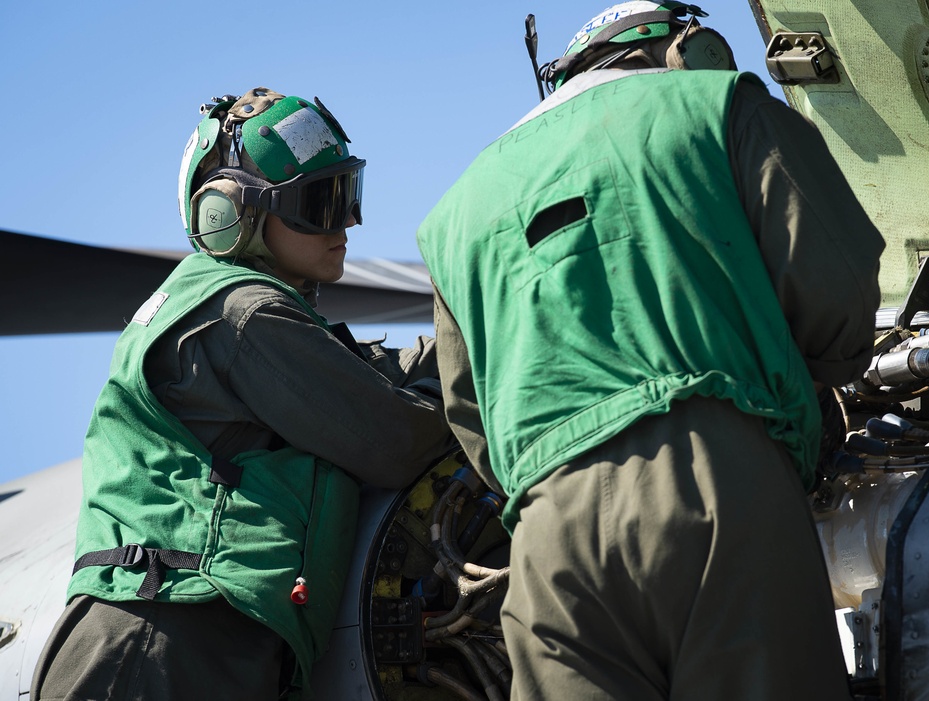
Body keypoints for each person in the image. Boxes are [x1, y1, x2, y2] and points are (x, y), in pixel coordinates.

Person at [416, 4, 885, 700]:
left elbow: (470, 412)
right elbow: (838, 289)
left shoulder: (454, 213)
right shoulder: (717, 104)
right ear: (683, 51)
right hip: (720, 486)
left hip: (549, 533)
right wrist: (814, 394)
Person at [32, 87, 455, 700]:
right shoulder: (244, 313)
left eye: (347, 194)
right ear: (229, 215)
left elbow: (366, 372)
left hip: (195, 637)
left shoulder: (245, 315)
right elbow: (396, 440)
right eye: (319, 203)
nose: (346, 223)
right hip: (162, 641)